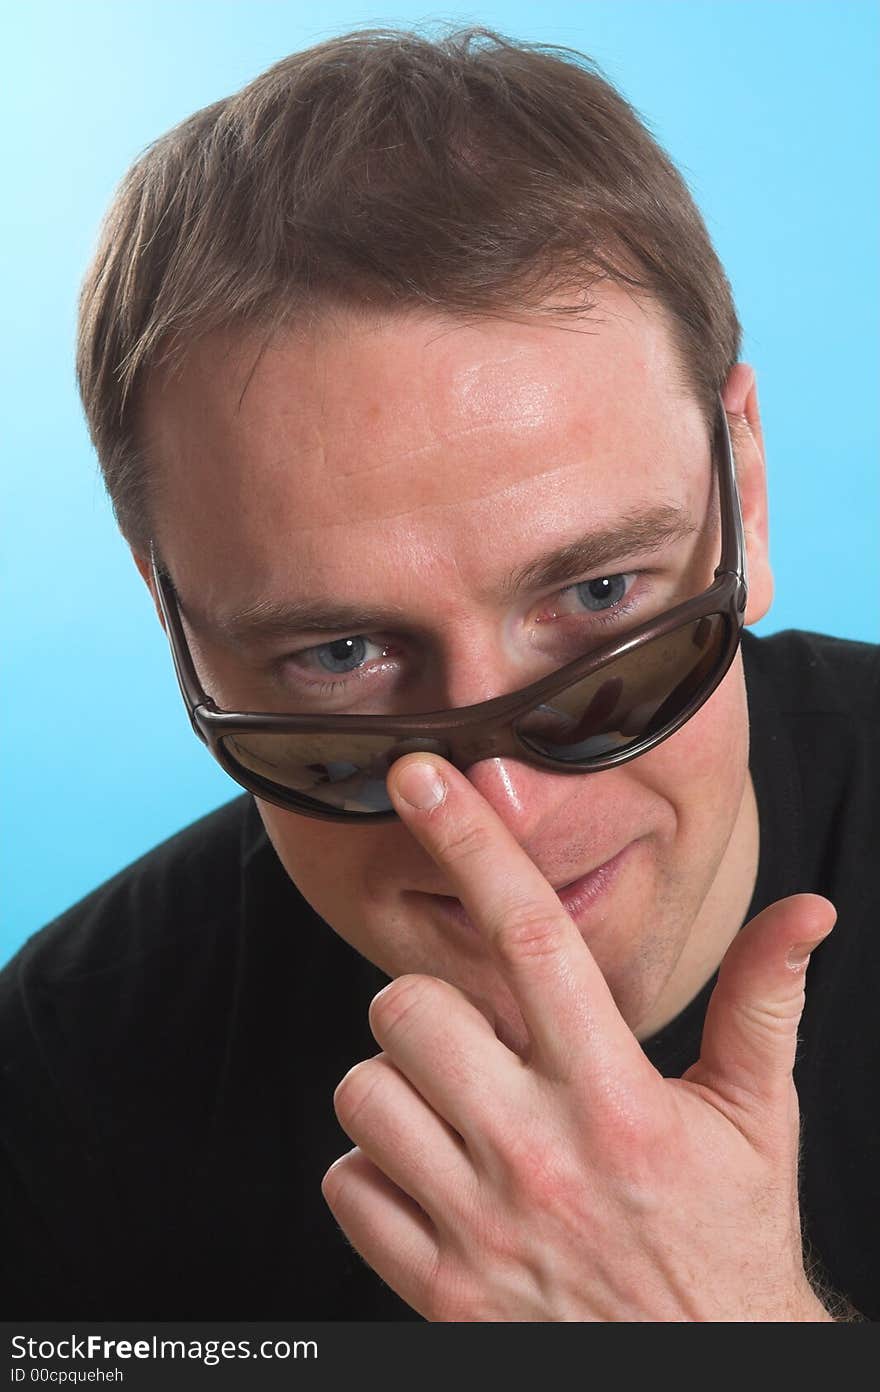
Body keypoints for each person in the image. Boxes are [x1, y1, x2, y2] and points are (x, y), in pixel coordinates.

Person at [2, 28, 877, 1323]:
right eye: (342, 654)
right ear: (170, 618)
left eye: (599, 598)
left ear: (741, 484)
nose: (501, 815)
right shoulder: (58, 1080)